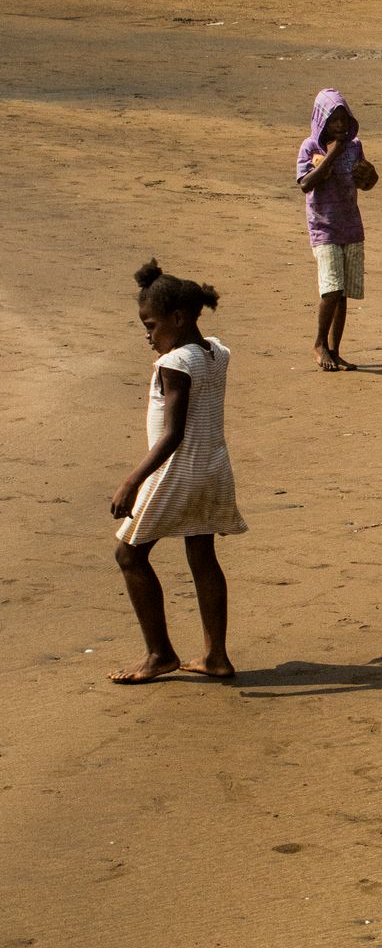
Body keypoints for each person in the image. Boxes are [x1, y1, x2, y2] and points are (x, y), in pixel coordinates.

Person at [108, 260, 248, 683]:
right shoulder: (215, 351)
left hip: (177, 471)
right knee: (202, 555)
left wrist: (131, 481)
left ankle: (159, 653)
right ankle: (215, 656)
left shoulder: (175, 363)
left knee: (129, 554)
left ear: (178, 318)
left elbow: (172, 435)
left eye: (151, 326)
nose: (148, 336)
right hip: (213, 467)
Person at [296, 87, 378, 371]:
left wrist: (371, 176)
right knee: (331, 290)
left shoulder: (355, 146)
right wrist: (332, 154)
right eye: (333, 120)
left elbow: (364, 182)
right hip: (324, 228)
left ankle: (335, 350)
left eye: (343, 119)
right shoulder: (310, 147)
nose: (340, 125)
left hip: (350, 226)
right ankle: (319, 344)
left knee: (342, 293)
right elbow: (306, 184)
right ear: (322, 121)